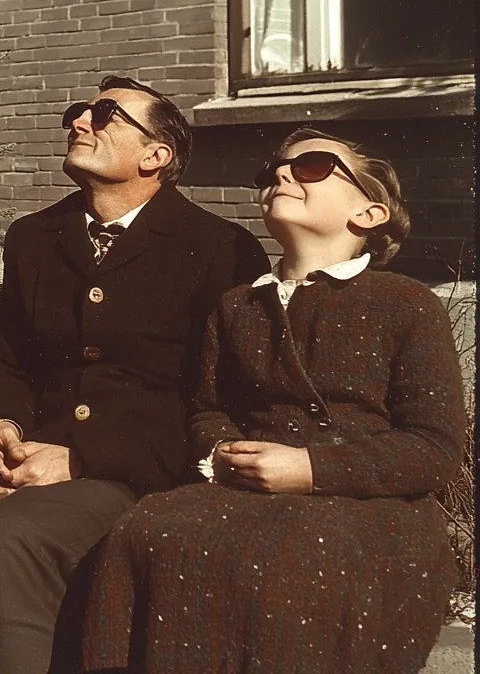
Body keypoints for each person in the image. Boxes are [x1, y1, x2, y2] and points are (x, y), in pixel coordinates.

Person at [0, 76, 269, 674]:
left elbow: (215, 394)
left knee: (11, 536)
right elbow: (9, 357)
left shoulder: (220, 247)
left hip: (138, 468)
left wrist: (85, 458)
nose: (80, 123)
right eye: (79, 112)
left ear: (157, 156)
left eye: (106, 115)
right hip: (30, 453)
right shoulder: (34, 237)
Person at [81, 128, 467, 674]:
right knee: (141, 530)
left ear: (369, 214)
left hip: (370, 502)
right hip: (253, 487)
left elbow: (433, 446)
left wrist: (310, 467)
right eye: (273, 173)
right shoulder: (238, 305)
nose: (281, 175)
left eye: (311, 167)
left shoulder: (405, 303)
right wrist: (224, 451)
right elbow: (209, 407)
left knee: (293, 560)